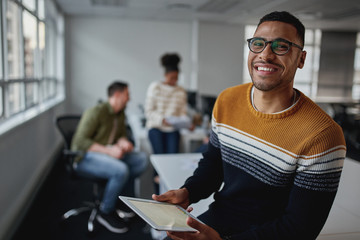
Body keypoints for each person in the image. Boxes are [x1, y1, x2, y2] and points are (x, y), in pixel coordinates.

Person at [152, 11, 346, 240]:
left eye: (280, 46)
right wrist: (188, 191)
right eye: (258, 43)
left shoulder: (323, 135)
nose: (265, 54)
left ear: (301, 59)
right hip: (219, 219)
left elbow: (300, 229)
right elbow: (214, 164)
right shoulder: (227, 100)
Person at [71, 81, 148, 234]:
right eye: (127, 94)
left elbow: (120, 135)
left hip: (106, 156)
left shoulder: (120, 113)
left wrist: (123, 142)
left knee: (141, 159)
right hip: (84, 157)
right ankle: (105, 211)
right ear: (117, 95)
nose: (129, 98)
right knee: (121, 170)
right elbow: (79, 142)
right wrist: (109, 151)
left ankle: (116, 197)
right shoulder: (96, 111)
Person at [145, 53, 191, 193]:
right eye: (171, 78)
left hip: (173, 130)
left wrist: (186, 123)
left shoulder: (181, 91)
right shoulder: (155, 87)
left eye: (176, 78)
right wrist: (162, 119)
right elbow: (149, 111)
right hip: (157, 128)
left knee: (172, 163)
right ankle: (157, 194)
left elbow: (182, 113)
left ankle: (170, 194)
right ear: (165, 75)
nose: (173, 81)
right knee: (159, 162)